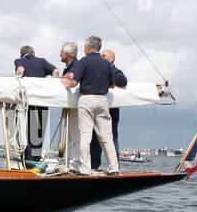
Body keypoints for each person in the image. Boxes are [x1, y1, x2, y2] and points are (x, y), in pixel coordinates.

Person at [66, 36, 119, 176]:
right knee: (107, 137)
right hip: (102, 100)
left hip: (87, 99)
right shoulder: (106, 63)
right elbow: (112, 84)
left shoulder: (83, 61)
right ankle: (114, 168)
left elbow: (74, 82)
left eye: (84, 47)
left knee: (85, 136)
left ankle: (84, 169)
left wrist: (65, 82)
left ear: (88, 47)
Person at [14, 45, 59, 161]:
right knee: (39, 131)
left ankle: (28, 161)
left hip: (27, 103)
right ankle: (36, 159)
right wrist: (53, 87)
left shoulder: (20, 61)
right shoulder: (42, 61)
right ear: (33, 53)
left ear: (22, 54)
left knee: (26, 131)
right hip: (42, 102)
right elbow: (55, 71)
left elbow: (20, 70)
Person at [90, 49, 128, 169]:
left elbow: (122, 81)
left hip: (111, 115)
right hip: (96, 112)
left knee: (112, 139)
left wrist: (107, 74)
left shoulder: (116, 71)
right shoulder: (97, 70)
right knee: (95, 140)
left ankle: (115, 166)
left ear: (112, 59)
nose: (101, 57)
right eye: (101, 55)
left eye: (104, 56)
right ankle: (93, 167)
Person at [60, 42, 81, 173]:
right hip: (68, 104)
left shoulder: (77, 65)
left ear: (67, 55)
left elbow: (72, 76)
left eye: (61, 52)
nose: (59, 54)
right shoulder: (69, 66)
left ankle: (75, 165)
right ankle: (66, 162)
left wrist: (62, 78)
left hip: (75, 105)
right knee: (67, 135)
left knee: (75, 135)